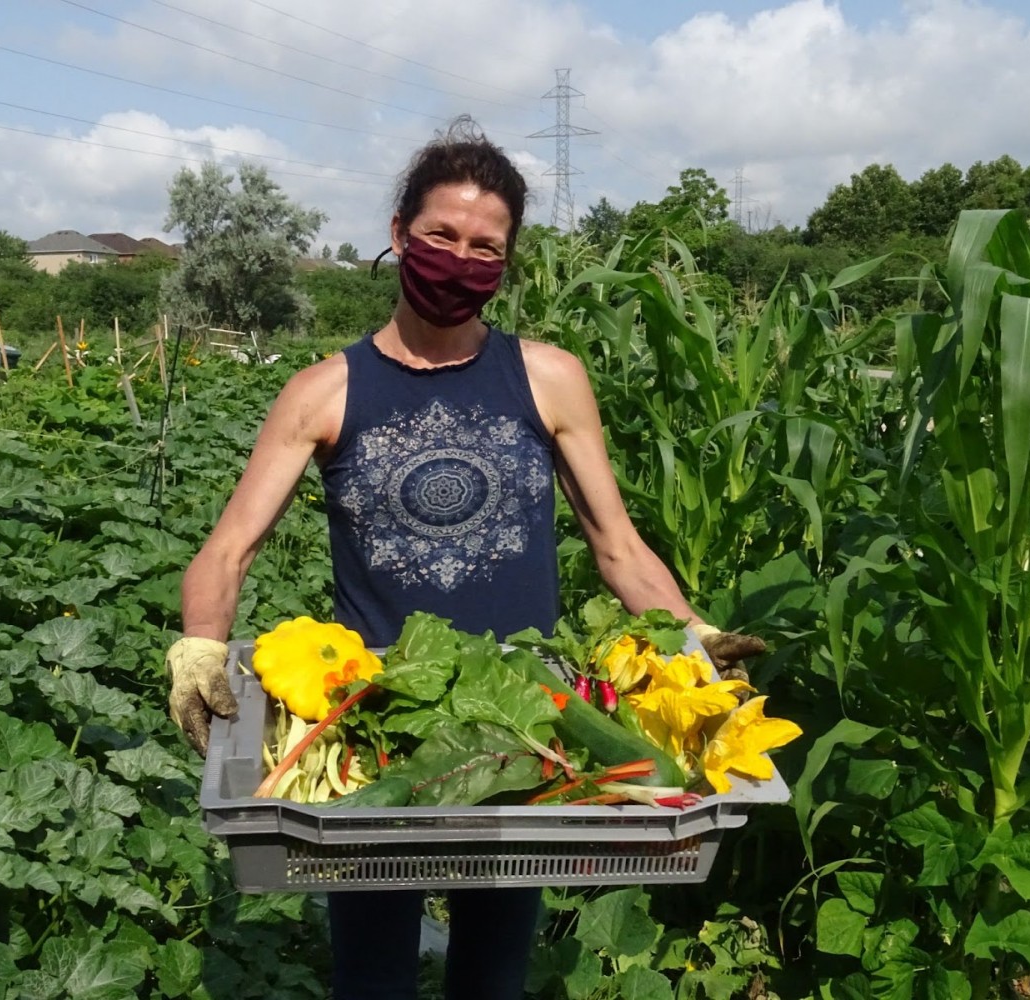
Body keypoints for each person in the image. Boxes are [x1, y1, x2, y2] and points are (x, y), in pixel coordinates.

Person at [166, 118, 762, 1000]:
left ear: (506, 263)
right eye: (441, 235)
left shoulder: (548, 378)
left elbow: (618, 546)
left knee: (493, 971)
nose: (460, 259)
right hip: (375, 716)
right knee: (371, 972)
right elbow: (228, 547)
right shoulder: (326, 390)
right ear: (400, 233)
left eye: (486, 247)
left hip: (524, 720)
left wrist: (693, 640)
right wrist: (201, 646)